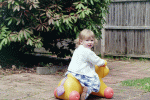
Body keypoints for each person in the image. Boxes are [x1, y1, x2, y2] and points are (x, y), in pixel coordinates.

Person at [65, 29, 105, 100]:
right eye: (87, 40)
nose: (90, 42)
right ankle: (87, 90)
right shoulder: (88, 52)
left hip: (71, 71)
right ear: (81, 41)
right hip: (81, 73)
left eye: (92, 40)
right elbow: (96, 60)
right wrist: (103, 62)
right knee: (94, 80)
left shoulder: (78, 49)